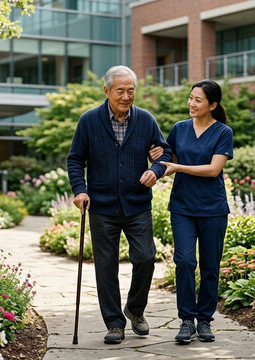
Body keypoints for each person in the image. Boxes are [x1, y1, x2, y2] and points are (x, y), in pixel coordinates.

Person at [67, 65, 172, 345]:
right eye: (120, 91)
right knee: (106, 266)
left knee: (146, 258)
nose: (126, 96)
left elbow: (166, 152)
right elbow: (75, 159)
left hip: (137, 204)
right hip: (101, 206)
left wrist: (158, 167)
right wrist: (80, 190)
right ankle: (114, 323)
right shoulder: (89, 121)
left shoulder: (146, 120)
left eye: (131, 90)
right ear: (107, 91)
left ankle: (134, 310)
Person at [152, 79, 233, 344]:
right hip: (183, 208)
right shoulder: (179, 129)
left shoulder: (223, 132)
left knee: (210, 266)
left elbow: (213, 170)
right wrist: (156, 158)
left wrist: (178, 167)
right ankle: (187, 320)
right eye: (190, 98)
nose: (192, 103)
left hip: (213, 210)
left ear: (212, 105)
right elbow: (167, 160)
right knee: (185, 261)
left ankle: (205, 320)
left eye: (198, 100)